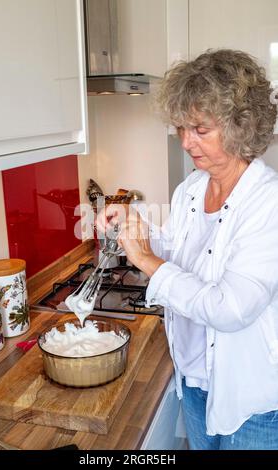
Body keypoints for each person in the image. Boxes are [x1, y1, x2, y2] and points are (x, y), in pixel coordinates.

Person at [96, 49, 278, 450]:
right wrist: (139, 228)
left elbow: (230, 308)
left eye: (200, 129)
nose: (185, 142)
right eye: (181, 127)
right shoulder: (192, 189)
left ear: (239, 126)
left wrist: (147, 260)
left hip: (252, 400)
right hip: (194, 381)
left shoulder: (269, 202)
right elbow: (178, 254)